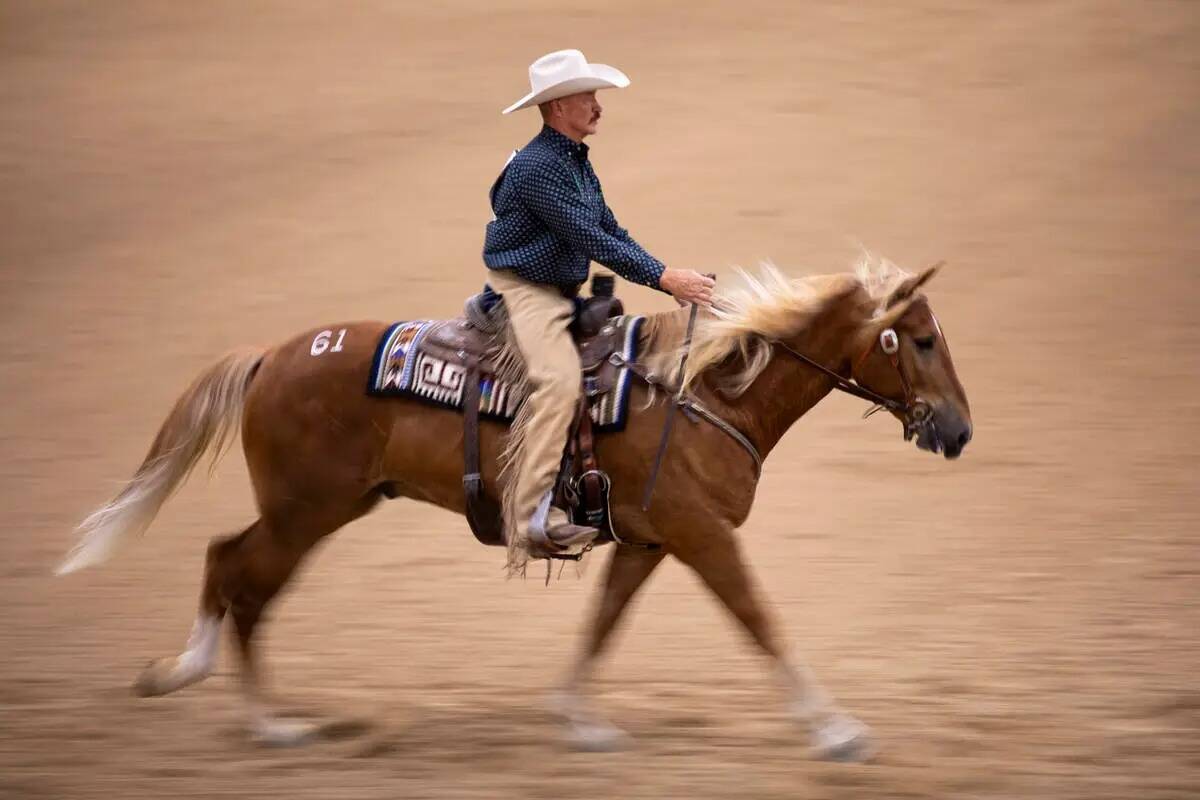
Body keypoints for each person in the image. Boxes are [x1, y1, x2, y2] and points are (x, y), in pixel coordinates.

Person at [483, 49, 715, 567]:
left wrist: (669, 278)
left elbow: (610, 229)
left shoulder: (573, 162)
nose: (597, 105)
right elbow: (589, 237)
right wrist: (662, 276)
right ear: (559, 106)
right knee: (560, 382)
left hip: (560, 291)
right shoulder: (539, 168)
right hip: (527, 293)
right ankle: (530, 517)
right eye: (587, 96)